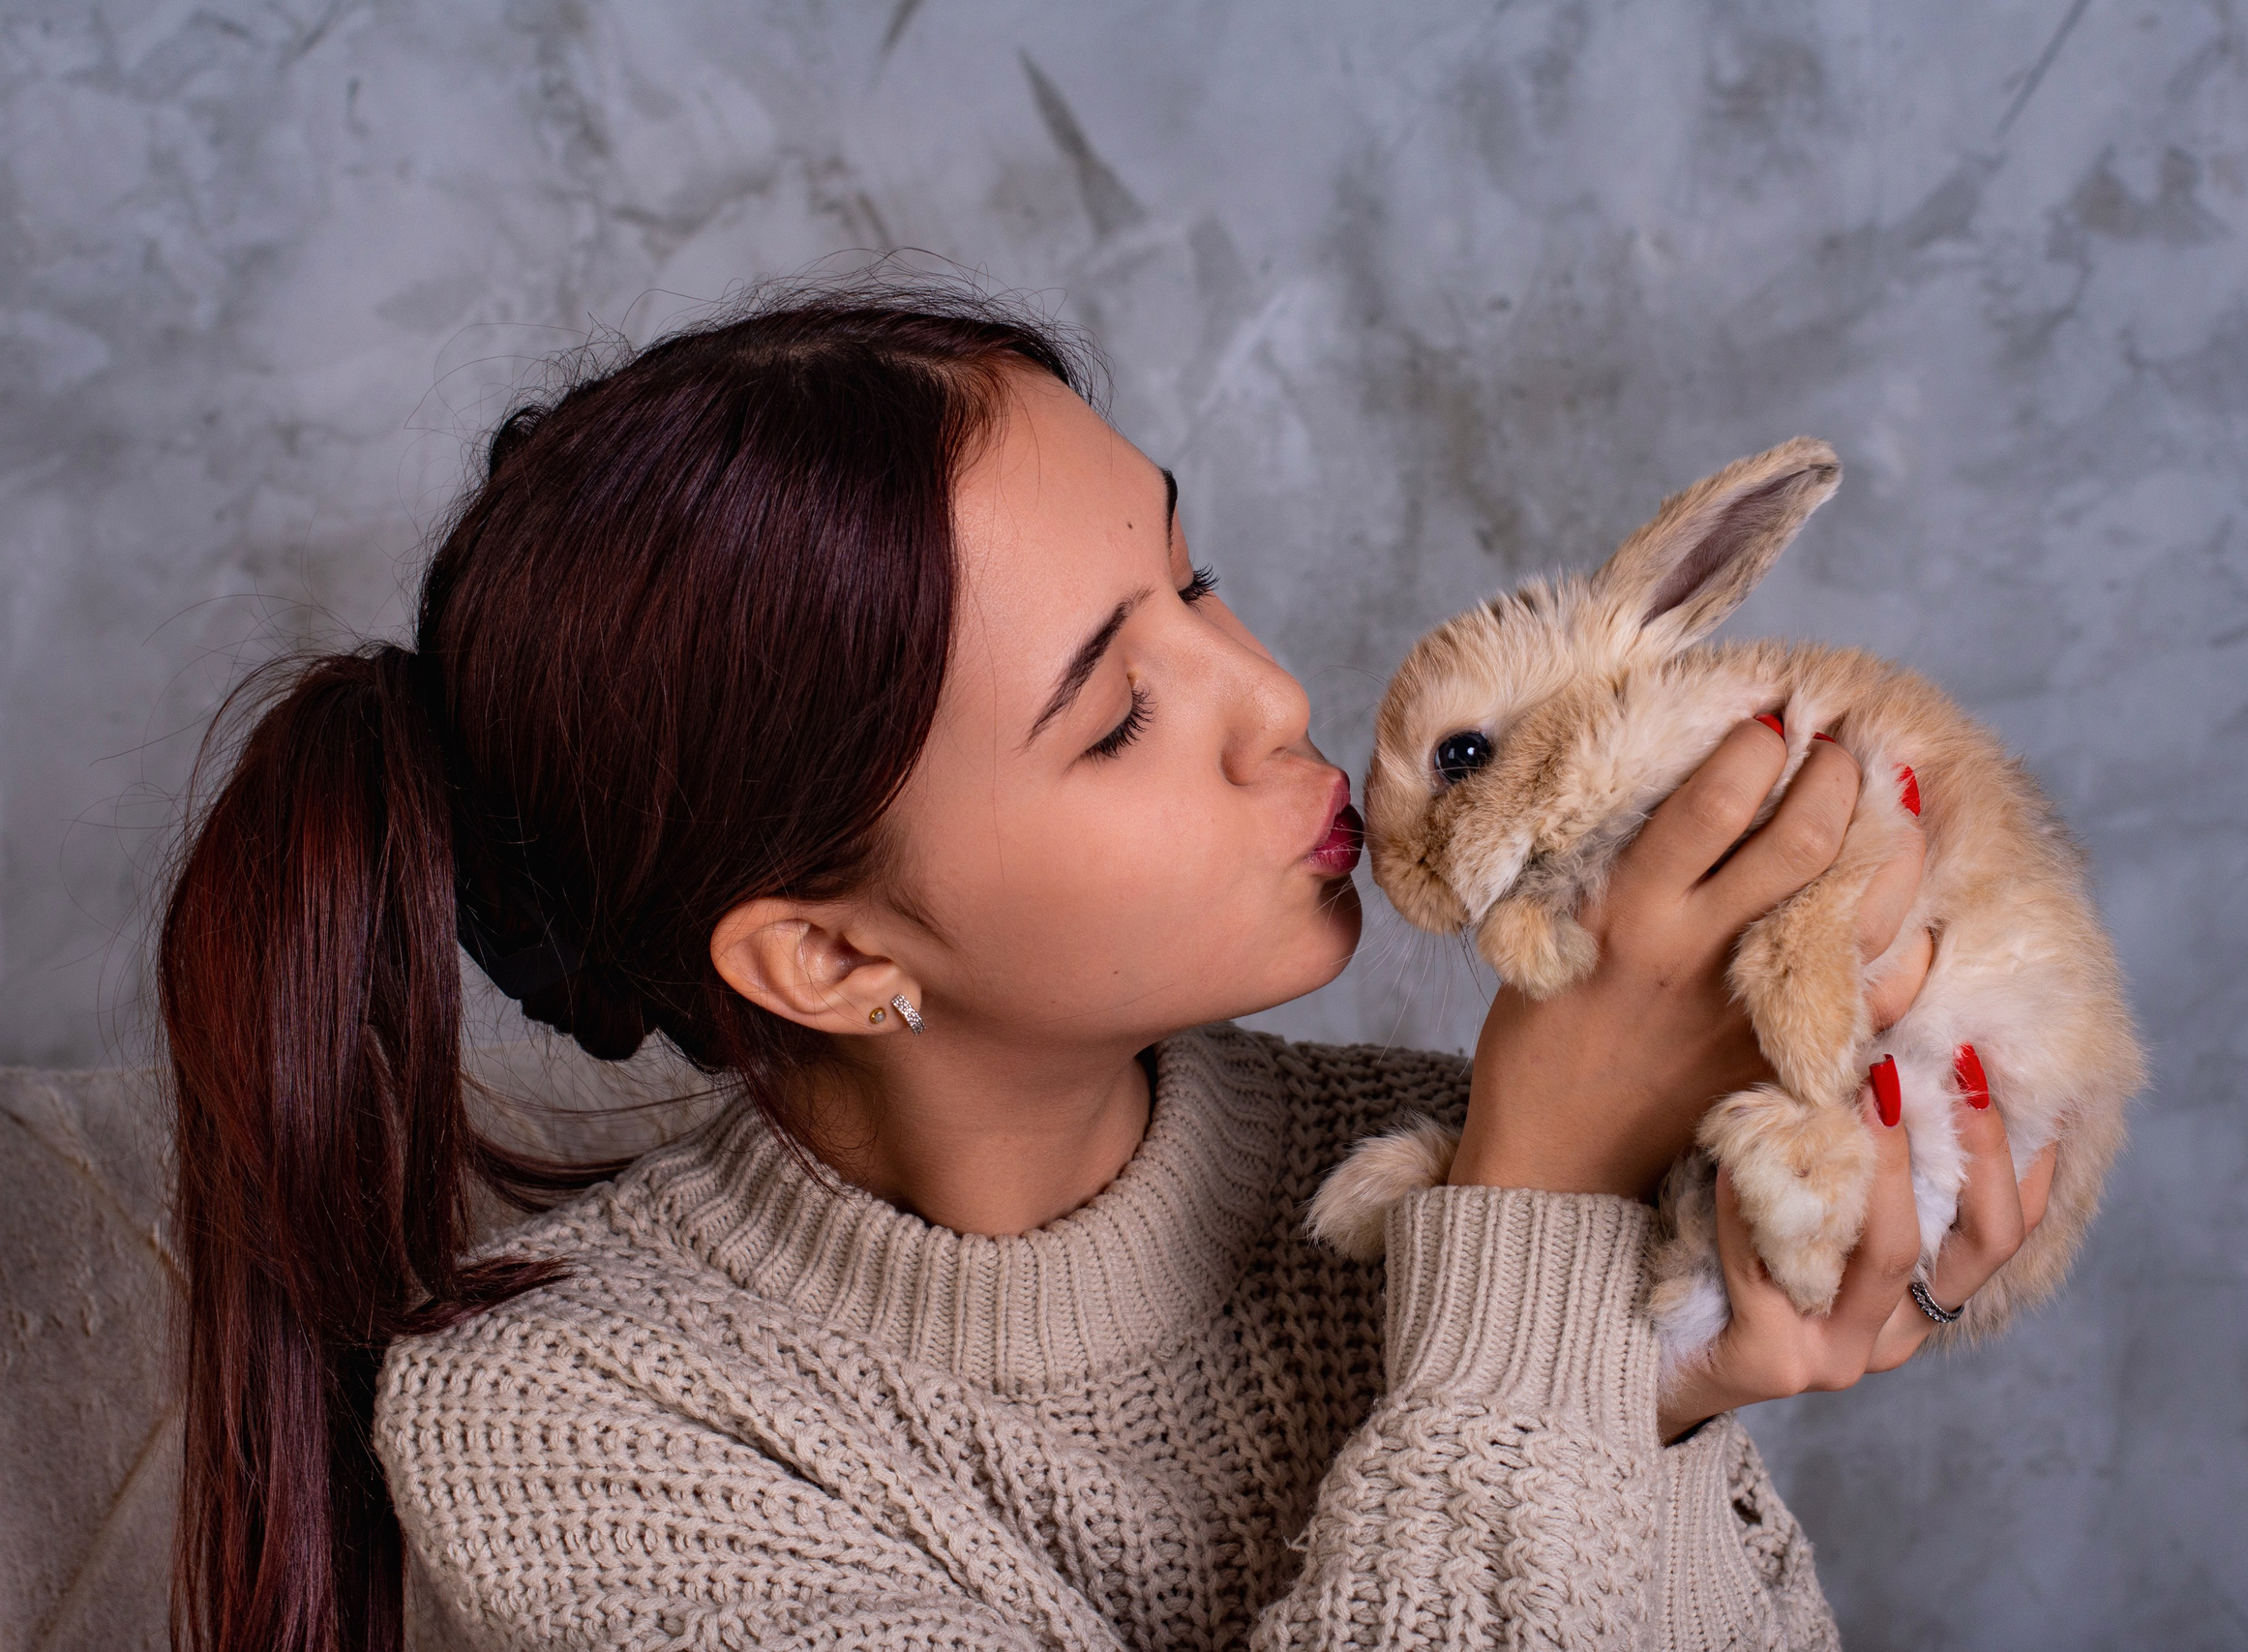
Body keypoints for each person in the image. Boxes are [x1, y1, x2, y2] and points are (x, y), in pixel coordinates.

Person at [158, 285, 2053, 1652]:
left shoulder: (1426, 1165)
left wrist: (1649, 1382)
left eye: (1194, 577)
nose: (1273, 696)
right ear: (830, 950)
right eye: (1117, 712)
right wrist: (1542, 1242)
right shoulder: (576, 1429)